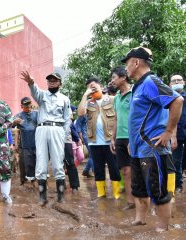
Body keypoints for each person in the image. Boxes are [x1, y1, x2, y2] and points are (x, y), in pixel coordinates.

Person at [122, 47, 183, 232]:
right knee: (139, 189)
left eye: (127, 63)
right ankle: (140, 219)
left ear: (136, 62)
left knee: (158, 191)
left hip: (152, 148)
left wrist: (168, 131)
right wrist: (132, 144)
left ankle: (164, 229)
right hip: (138, 149)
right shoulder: (138, 86)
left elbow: (177, 100)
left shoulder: (150, 81)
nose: (125, 68)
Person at [20, 71, 71, 205]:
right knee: (41, 161)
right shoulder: (42, 95)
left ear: (60, 83)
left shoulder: (65, 99)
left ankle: (60, 196)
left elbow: (67, 119)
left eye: (54, 80)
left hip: (57, 129)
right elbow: (34, 91)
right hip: (42, 128)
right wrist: (30, 82)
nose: (52, 82)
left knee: (58, 162)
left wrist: (64, 135)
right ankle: (42, 196)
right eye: (49, 80)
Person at [78, 77, 121, 199]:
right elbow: (80, 113)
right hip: (94, 143)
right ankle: (101, 195)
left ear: (101, 87)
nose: (92, 90)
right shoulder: (88, 103)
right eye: (89, 89)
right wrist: (85, 95)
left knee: (114, 169)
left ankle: (117, 195)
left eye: (94, 87)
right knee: (98, 170)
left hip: (110, 142)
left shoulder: (112, 100)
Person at [110, 66, 135, 210]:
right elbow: (116, 119)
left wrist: (133, 139)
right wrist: (112, 139)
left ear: (123, 77)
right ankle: (131, 202)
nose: (112, 80)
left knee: (138, 171)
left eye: (114, 77)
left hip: (133, 138)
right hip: (120, 138)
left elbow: (138, 117)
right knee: (125, 171)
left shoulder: (134, 93)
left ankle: (145, 201)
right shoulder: (117, 97)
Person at [13, 97, 38, 183]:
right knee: (26, 164)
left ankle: (38, 181)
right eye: (25, 106)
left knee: (38, 163)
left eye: (29, 105)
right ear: (21, 106)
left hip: (37, 144)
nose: (28, 107)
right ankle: (26, 181)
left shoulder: (36, 114)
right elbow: (10, 125)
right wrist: (14, 122)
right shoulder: (19, 116)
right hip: (25, 145)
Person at [169, 74, 186, 194]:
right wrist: (172, 136)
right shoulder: (169, 99)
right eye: (174, 81)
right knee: (176, 161)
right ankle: (178, 185)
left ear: (184, 82)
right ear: (170, 85)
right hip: (176, 134)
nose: (176, 83)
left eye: (179, 80)